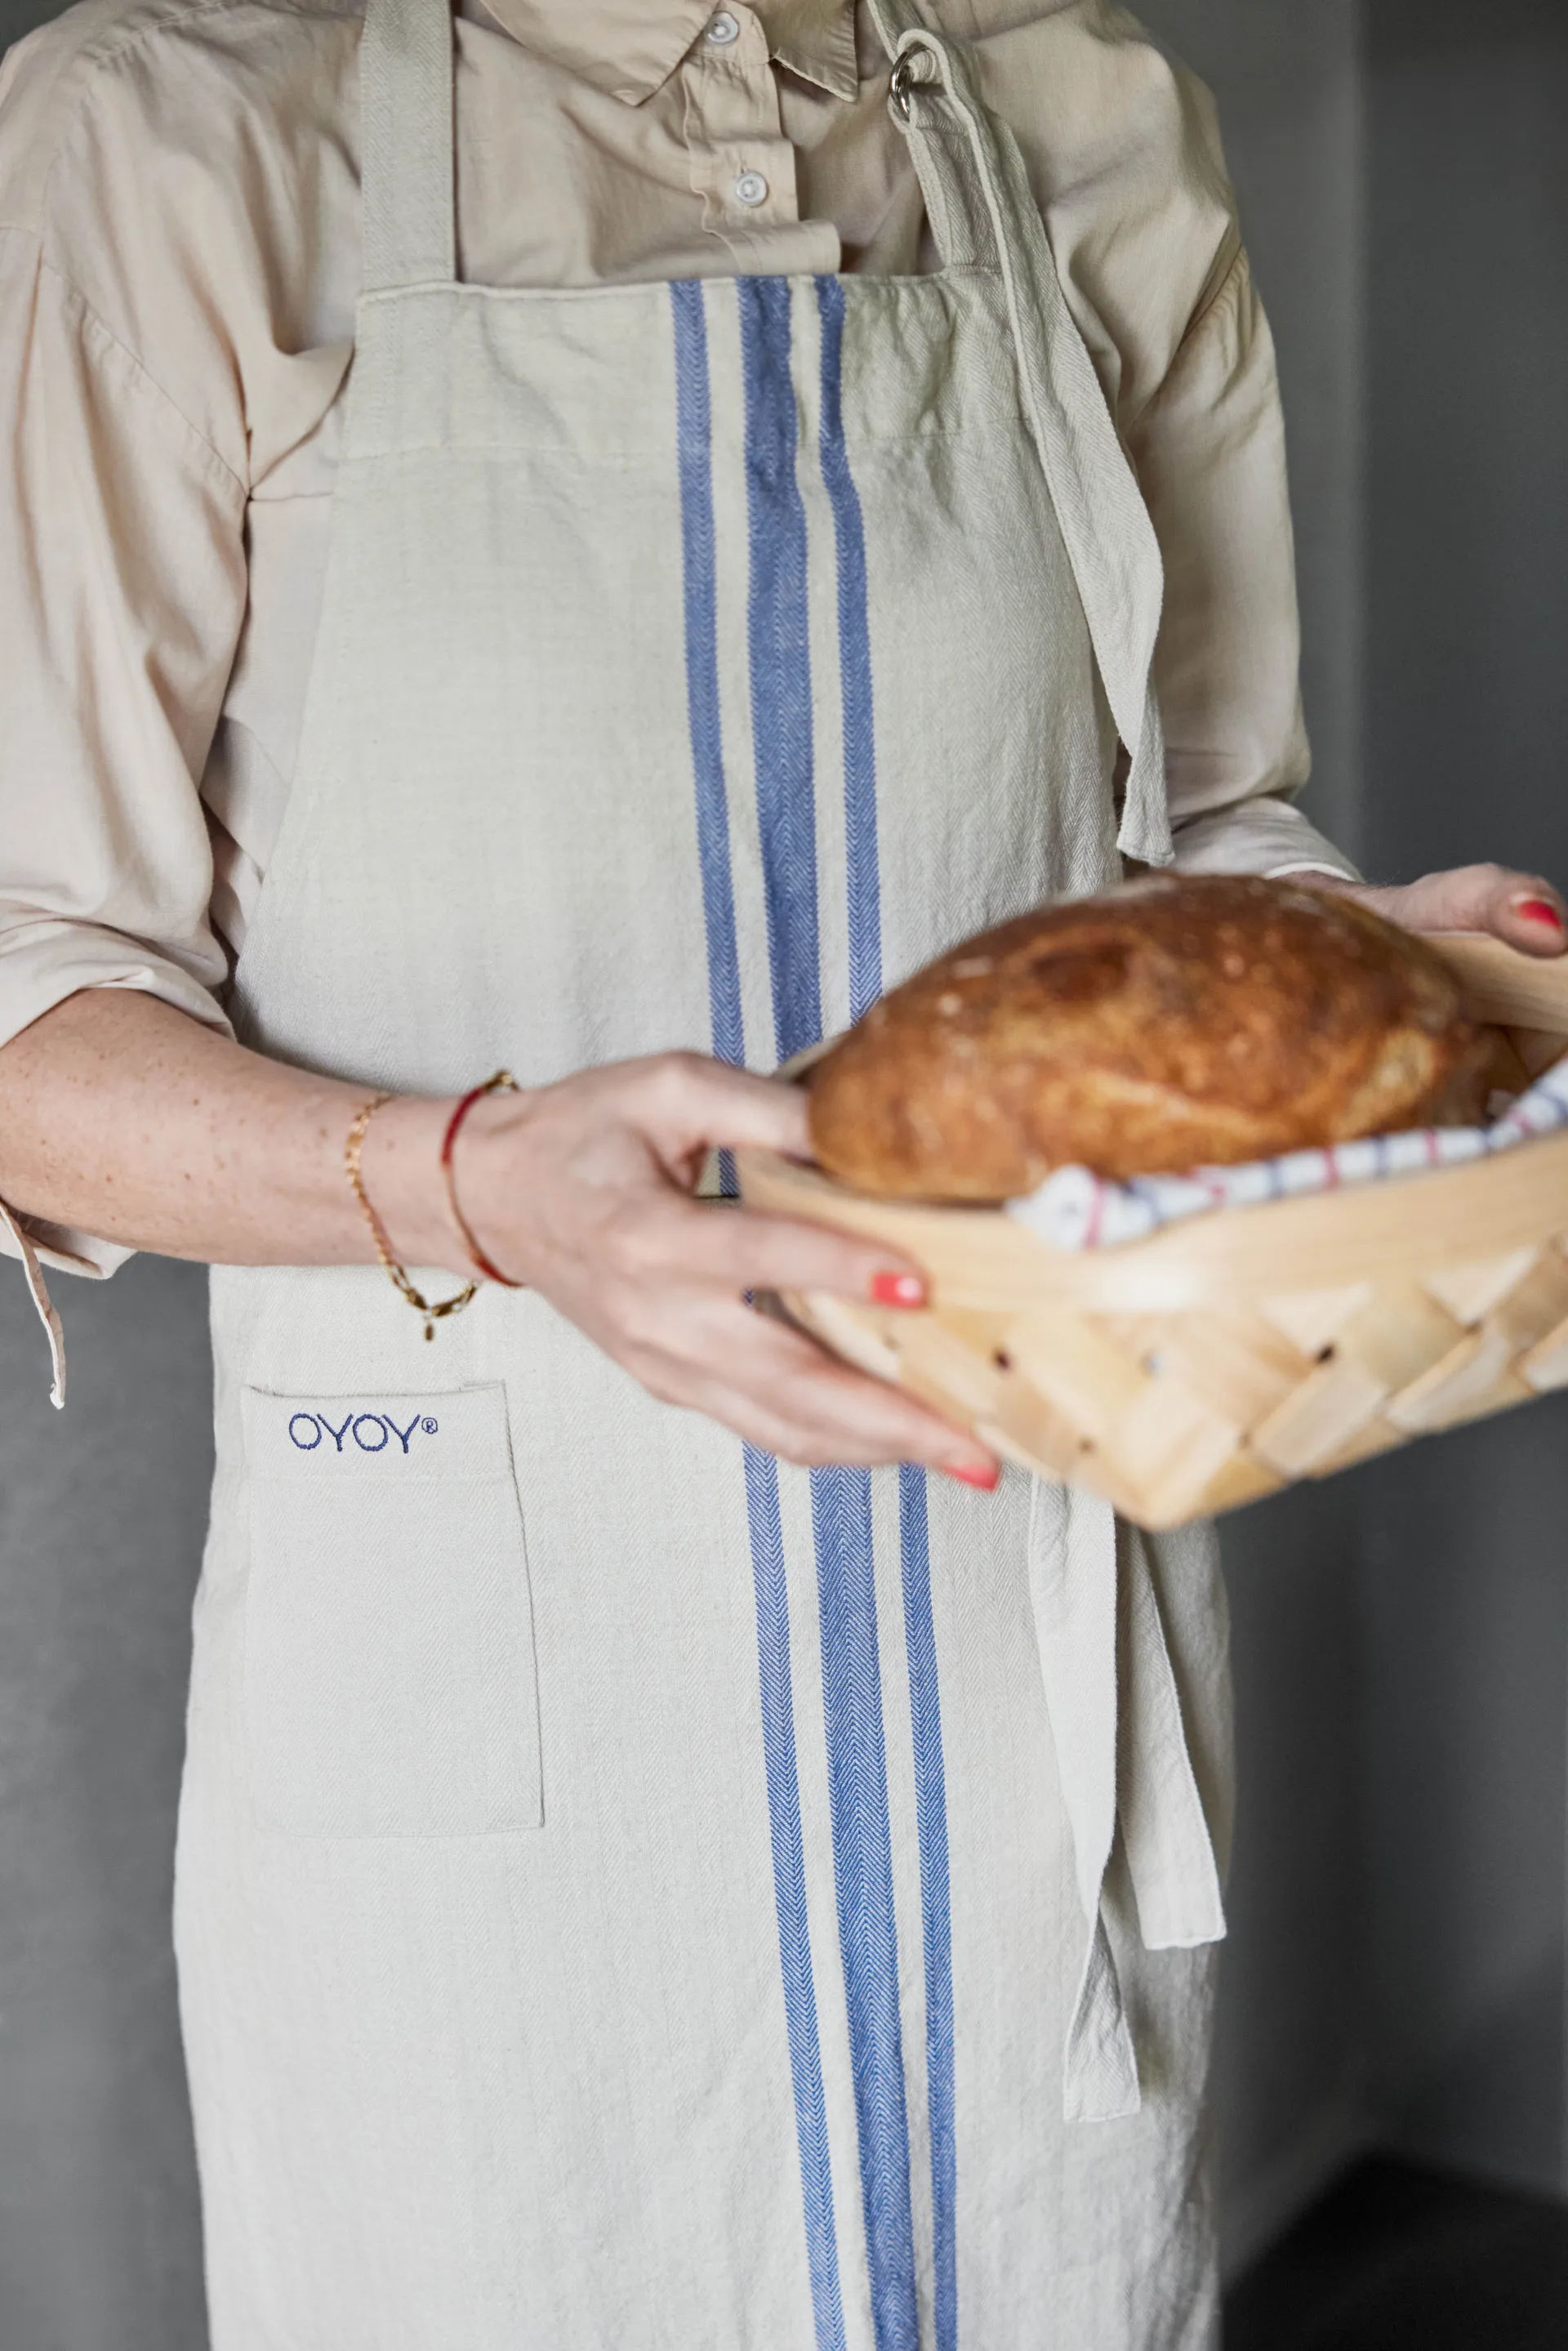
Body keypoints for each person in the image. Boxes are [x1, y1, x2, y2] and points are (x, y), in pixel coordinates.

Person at [0, 0, 1561, 2343]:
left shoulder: (1091, 115)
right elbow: (29, 1015)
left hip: (1012, 1631)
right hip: (485, 1733)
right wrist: (471, 1176)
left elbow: (1194, 846)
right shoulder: (176, 127)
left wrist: (1382, 978)